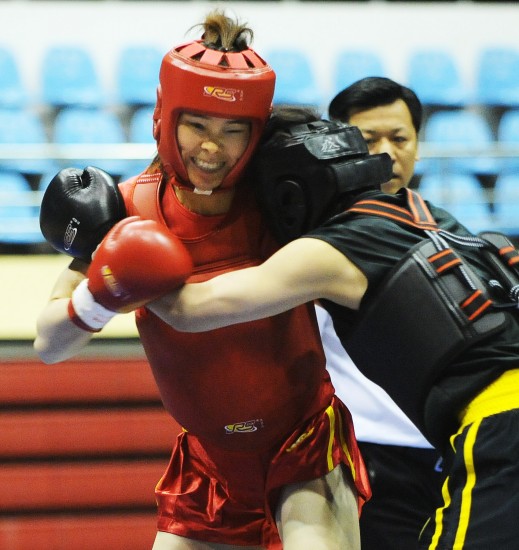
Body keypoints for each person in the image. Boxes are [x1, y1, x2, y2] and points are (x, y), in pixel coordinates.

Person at [34, 10, 370, 550]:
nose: (213, 149)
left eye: (233, 130)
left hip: (303, 444)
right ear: (166, 119)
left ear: (256, 132)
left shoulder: (284, 199)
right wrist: (100, 296)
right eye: (198, 126)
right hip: (208, 461)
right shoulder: (123, 211)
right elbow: (49, 344)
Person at [145, 110, 519, 550]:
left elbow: (191, 310)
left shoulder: (334, 249)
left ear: (286, 193)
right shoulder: (425, 214)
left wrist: (109, 249)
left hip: (502, 429)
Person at [320, 76, 445, 549]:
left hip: (443, 454)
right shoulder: (305, 236)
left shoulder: (445, 232)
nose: (387, 153)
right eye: (368, 140)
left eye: (399, 138)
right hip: (357, 456)